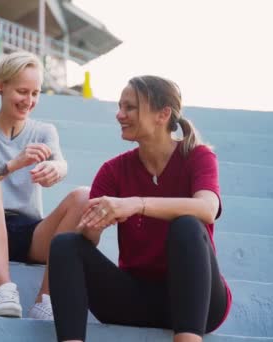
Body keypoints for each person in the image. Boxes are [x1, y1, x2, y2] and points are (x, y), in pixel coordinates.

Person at [48, 75, 233, 342]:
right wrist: (91, 225)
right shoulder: (113, 170)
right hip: (136, 299)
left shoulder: (198, 156)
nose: (119, 115)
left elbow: (207, 208)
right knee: (65, 245)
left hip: (199, 303)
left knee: (187, 224)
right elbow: (89, 239)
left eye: (129, 107)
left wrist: (136, 204)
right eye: (120, 107)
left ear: (163, 114)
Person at [0, 51, 90, 320]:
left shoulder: (45, 131)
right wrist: (13, 165)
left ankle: (44, 301)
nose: (29, 101)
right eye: (22, 91)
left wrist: (56, 169)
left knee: (84, 197)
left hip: (28, 232)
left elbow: (61, 164)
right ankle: (4, 289)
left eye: (35, 93)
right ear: (0, 86)